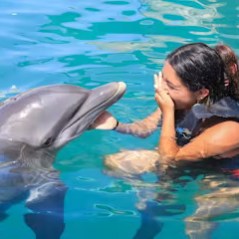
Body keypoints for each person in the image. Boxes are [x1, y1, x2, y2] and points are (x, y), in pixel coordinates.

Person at [93, 42, 239, 172]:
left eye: (171, 85)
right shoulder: (179, 101)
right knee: (115, 163)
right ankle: (144, 192)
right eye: (162, 79)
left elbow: (169, 160)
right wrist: (115, 125)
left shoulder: (229, 127)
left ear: (201, 92)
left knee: (205, 200)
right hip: (184, 159)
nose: (160, 88)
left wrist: (168, 111)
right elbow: (145, 128)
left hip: (223, 175)